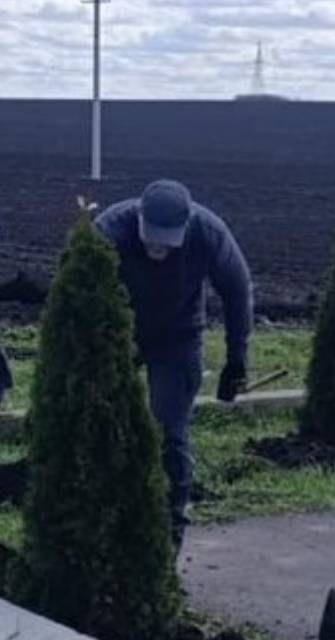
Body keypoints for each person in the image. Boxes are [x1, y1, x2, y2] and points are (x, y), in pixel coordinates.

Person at [95, 179, 253, 546]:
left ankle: (170, 529)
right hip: (120, 331)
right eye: (151, 238)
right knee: (101, 418)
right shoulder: (110, 229)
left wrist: (236, 360)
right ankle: (103, 510)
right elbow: (78, 285)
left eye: (167, 241)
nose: (157, 248)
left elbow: (237, 291)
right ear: (139, 218)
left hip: (178, 337)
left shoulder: (208, 232)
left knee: (170, 431)